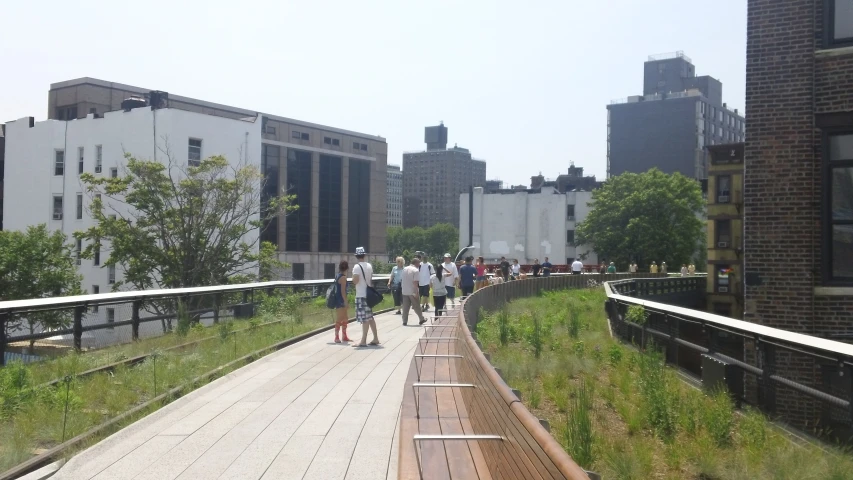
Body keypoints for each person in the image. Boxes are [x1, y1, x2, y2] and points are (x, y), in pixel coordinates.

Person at [352, 247, 378, 347]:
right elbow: (370, 279)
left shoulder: (357, 267)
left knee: (365, 319)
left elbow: (355, 281)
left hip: (361, 295)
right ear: (364, 255)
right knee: (370, 317)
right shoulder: (369, 265)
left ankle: (363, 341)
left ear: (356, 256)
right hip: (368, 294)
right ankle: (375, 338)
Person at [401, 257, 426, 326]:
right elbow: (415, 283)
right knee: (416, 306)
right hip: (412, 291)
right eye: (419, 263)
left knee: (405, 307)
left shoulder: (404, 269)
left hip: (404, 290)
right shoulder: (415, 270)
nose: (419, 265)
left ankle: (404, 321)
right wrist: (416, 293)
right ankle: (421, 319)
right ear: (416, 263)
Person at [333, 261, 350, 343]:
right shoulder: (343, 278)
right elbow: (343, 292)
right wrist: (346, 302)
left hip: (337, 300)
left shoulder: (337, 276)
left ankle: (344, 336)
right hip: (341, 301)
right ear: (347, 268)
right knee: (341, 319)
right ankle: (337, 337)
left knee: (344, 318)